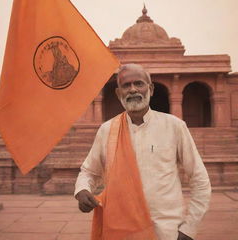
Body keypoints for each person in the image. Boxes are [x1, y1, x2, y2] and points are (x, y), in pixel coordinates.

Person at [74, 64, 211, 240]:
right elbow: (89, 171)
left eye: (139, 83)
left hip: (165, 230)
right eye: (126, 85)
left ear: (150, 89)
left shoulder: (174, 126)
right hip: (120, 230)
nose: (132, 89)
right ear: (118, 93)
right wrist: (82, 189)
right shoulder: (107, 130)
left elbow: (200, 180)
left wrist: (189, 228)